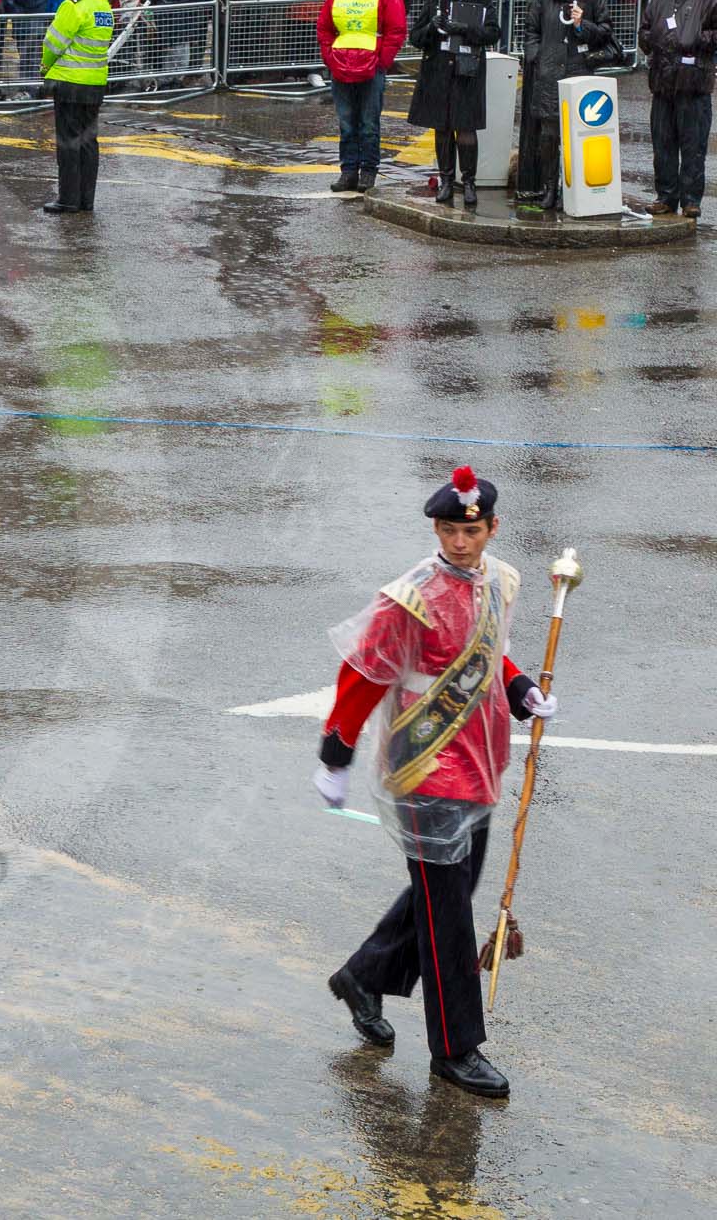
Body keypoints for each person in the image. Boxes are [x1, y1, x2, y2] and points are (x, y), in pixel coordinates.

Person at [315, 466, 559, 1100]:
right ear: (436, 529)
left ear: (491, 528)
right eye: (449, 529)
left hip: (477, 755)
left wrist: (519, 685)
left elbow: (486, 649)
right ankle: (455, 1047)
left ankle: (365, 975)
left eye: (470, 529)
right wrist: (335, 753)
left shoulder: (499, 580)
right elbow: (364, 674)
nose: (458, 541)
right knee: (448, 908)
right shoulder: (410, 597)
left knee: (451, 885)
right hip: (422, 761)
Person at [517, 0, 611, 210]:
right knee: (548, 136)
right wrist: (535, 55)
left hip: (578, 70)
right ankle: (549, 187)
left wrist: (582, 24)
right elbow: (532, 29)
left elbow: (605, 32)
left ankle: (574, 188)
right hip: (548, 73)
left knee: (576, 136)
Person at [407, 0, 500, 208]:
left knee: (466, 128)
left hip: (467, 72)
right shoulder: (434, 0)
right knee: (443, 127)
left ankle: (469, 181)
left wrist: (465, 28)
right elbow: (415, 38)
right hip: (438, 71)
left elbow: (492, 33)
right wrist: (431, 27)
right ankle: (446, 180)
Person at [318, 0, 407, 194]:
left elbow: (396, 31)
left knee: (368, 123)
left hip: (371, 69)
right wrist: (331, 59)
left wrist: (382, 62)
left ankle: (368, 172)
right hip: (341, 67)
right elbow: (324, 29)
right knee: (347, 123)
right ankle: (348, 172)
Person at [638, 0, 717, 218]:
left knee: (693, 145)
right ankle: (666, 196)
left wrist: (696, 38)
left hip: (693, 83)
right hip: (663, 81)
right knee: (663, 143)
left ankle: (691, 199)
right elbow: (645, 28)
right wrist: (652, 41)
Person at [40, 0, 113, 216]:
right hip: (95, 83)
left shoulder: (73, 6)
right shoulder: (103, 5)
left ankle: (68, 199)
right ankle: (85, 200)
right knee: (88, 142)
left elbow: (53, 43)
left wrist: (44, 67)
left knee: (69, 144)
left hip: (70, 83)